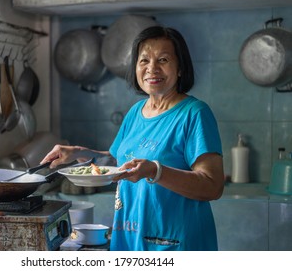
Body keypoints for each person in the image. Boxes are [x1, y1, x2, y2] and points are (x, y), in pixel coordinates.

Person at [41, 25, 225, 251]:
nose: (152, 68)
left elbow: (212, 186)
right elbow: (119, 165)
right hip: (129, 241)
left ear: (180, 68)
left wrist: (155, 171)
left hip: (175, 243)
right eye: (144, 60)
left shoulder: (194, 113)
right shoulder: (135, 112)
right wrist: (80, 153)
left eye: (163, 60)